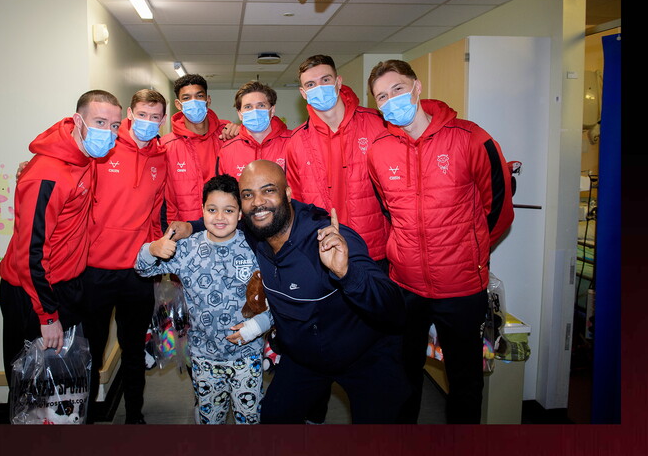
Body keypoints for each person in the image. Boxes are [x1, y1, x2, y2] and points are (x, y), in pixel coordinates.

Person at [365, 59, 515, 424]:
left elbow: (498, 210)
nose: (390, 100)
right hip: (406, 285)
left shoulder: (470, 138)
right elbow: (390, 211)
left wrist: (468, 249)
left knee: (465, 380)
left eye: (397, 89)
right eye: (381, 97)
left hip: (462, 285)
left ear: (416, 87)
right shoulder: (378, 150)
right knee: (402, 376)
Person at [236, 160, 409, 424]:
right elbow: (219, 222)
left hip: (364, 356)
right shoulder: (254, 232)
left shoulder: (329, 237)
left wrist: (347, 273)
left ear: (288, 193)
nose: (258, 202)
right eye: (248, 195)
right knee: (273, 421)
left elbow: (394, 307)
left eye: (268, 190)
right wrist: (192, 227)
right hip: (304, 357)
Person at [0, 90, 122, 394]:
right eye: (100, 122)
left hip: (69, 286)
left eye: (115, 125)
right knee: (32, 388)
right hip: (36, 294)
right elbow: (31, 253)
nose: (109, 132)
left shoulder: (86, 158)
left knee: (65, 385)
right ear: (78, 121)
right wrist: (48, 315)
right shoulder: (47, 174)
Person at [135, 174, 273, 424]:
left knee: (250, 420)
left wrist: (259, 326)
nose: (220, 217)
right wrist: (152, 249)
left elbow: (275, 295)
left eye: (229, 210)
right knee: (211, 420)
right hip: (204, 357)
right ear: (202, 210)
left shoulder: (255, 248)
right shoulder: (187, 248)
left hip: (247, 355)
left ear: (240, 213)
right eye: (212, 209)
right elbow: (142, 269)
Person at [80, 88, 169, 425]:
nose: (147, 122)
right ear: (130, 114)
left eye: (155, 116)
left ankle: (134, 416)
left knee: (133, 351)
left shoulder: (160, 159)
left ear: (163, 119)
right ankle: (85, 420)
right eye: (142, 115)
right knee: (90, 353)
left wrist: (153, 262)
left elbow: (154, 215)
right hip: (95, 271)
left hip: (136, 273)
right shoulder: (104, 147)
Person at [285, 54, 390, 267]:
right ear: (303, 93)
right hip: (323, 250)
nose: (319, 88)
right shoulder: (296, 141)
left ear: (338, 82)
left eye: (325, 80)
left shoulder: (377, 124)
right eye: (311, 84)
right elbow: (296, 203)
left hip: (373, 250)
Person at [162, 74, 231, 224]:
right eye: (186, 98)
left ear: (208, 100)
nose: (193, 102)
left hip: (226, 227)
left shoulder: (228, 135)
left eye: (199, 96)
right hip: (186, 230)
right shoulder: (166, 146)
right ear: (178, 105)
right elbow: (166, 198)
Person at [217, 81, 292, 179]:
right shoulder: (227, 151)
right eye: (248, 107)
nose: (255, 111)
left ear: (272, 110)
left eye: (261, 105)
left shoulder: (293, 141)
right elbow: (224, 192)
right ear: (240, 114)